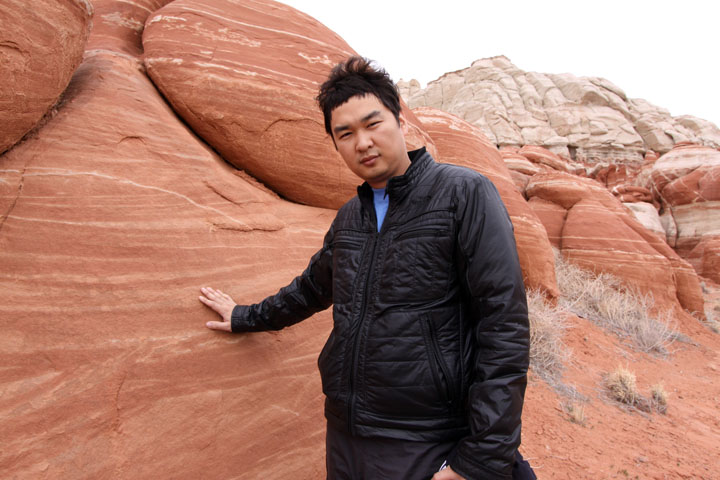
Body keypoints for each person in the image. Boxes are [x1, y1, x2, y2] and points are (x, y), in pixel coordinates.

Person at [199, 56, 534, 480]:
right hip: (346, 433)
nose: (362, 143)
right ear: (335, 144)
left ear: (400, 122)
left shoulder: (462, 194)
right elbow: (310, 289)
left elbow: (503, 326)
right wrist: (244, 316)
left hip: (426, 437)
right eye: (345, 133)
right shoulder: (350, 218)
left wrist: (480, 459)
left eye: (373, 124)